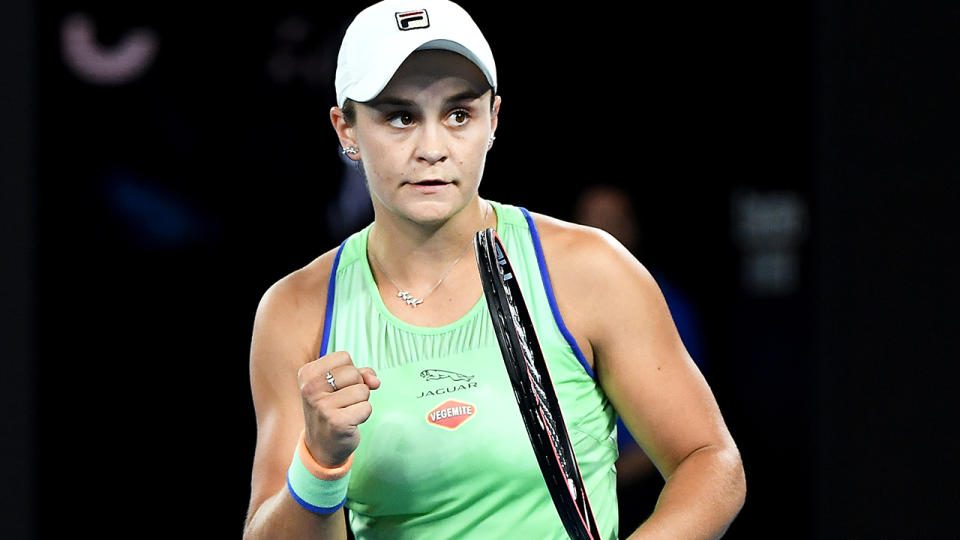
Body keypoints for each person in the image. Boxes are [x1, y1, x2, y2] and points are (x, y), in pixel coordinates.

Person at [242, 1, 745, 538]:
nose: (433, 148)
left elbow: (709, 460)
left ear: (493, 120)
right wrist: (318, 466)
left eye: (459, 114)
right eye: (400, 116)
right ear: (346, 130)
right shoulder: (296, 310)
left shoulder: (588, 271)